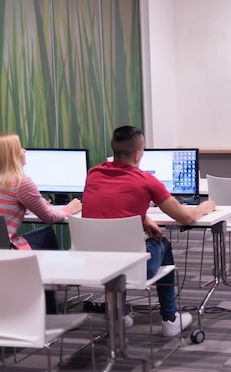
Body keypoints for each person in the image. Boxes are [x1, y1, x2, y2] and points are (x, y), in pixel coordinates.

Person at [83, 125, 215, 337]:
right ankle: (170, 319)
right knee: (163, 244)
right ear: (138, 153)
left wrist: (143, 218)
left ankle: (116, 315)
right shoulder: (145, 181)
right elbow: (185, 217)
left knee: (117, 248)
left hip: (93, 263)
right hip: (133, 269)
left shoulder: (93, 174)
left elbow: (111, 205)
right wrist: (203, 207)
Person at [0, 133, 82, 314]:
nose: (24, 150)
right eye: (20, 147)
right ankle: (53, 297)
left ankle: (50, 293)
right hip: (5, 253)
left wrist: (29, 206)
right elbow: (49, 217)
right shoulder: (20, 182)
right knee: (46, 233)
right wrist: (70, 207)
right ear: (11, 155)